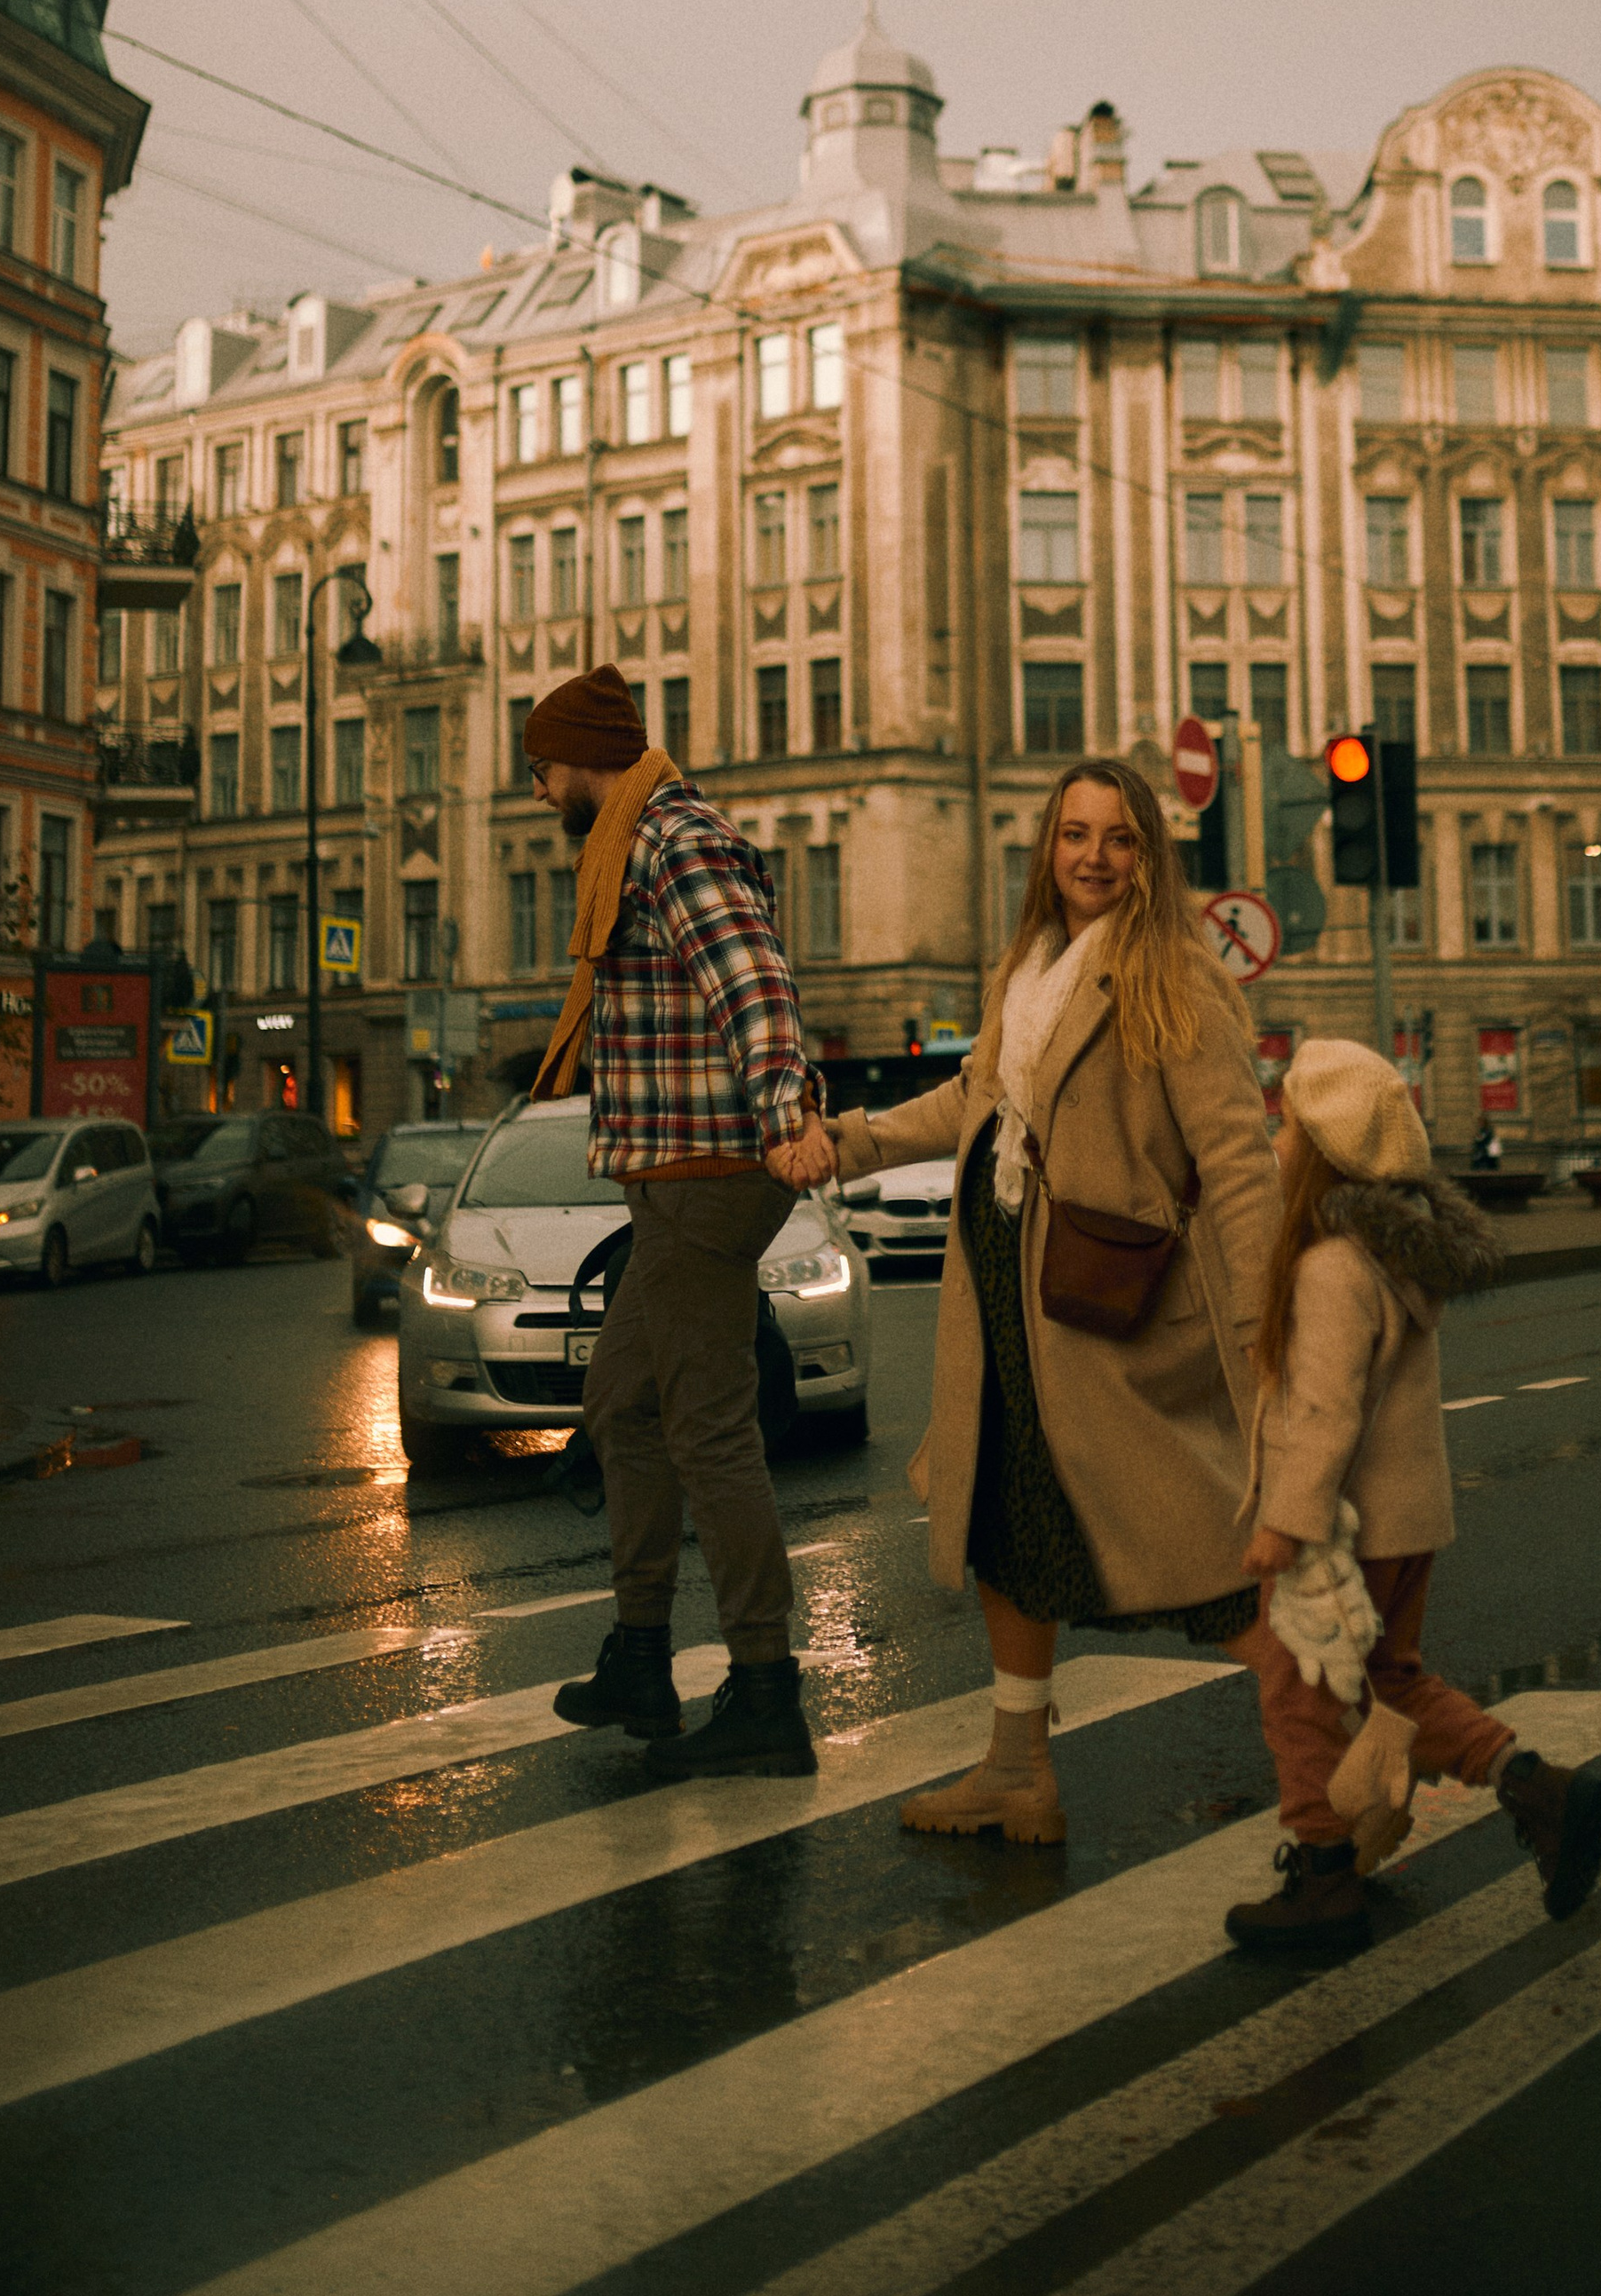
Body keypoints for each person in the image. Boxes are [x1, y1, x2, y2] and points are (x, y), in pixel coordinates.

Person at [826, 756, 1280, 1843]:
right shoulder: (1029, 968)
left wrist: (1267, 1334)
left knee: (1200, 1567)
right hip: (1006, 1313)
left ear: (1148, 858)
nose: (1094, 858)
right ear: (1048, 850)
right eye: (1075, 836)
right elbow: (973, 1098)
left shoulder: (1175, 977)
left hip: (1109, 1322)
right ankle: (1017, 1768)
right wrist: (850, 1142)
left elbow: (1237, 1158)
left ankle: (1361, 1747)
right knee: (1006, 1529)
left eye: (1118, 839)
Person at [1225, 1037, 1601, 1954]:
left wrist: (1286, 1525)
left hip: (1342, 1528)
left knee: (1300, 1690)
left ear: (1323, 1153)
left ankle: (1321, 1876)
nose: (1276, 1148)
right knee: (1389, 1679)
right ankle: (1537, 1787)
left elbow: (1323, 1412)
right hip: (1408, 1519)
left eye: (1288, 1131)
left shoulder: (1326, 1267)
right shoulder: (1385, 1252)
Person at [530, 663, 835, 1779]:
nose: (538, 790)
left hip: (706, 1175)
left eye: (544, 768)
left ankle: (764, 1686)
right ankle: (642, 1657)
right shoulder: (630, 842)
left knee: (707, 1426)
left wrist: (786, 1108)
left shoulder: (672, 837)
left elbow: (753, 983)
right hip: (670, 1176)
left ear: (584, 760)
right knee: (622, 1401)